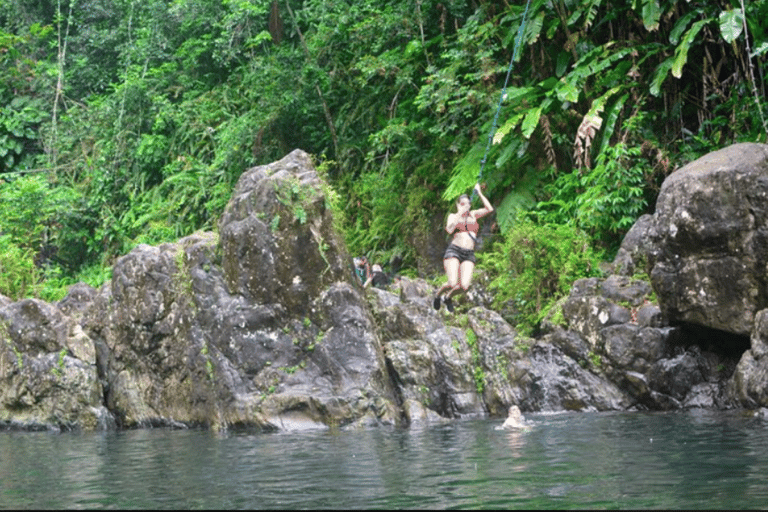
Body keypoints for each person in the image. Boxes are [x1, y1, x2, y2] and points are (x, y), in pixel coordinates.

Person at [433, 183, 494, 312]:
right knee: (452, 283)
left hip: (468, 253)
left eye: (467, 204)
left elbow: (489, 209)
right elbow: (449, 229)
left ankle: (448, 297)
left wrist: (480, 193)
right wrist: (460, 213)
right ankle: (438, 295)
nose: (466, 206)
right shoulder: (453, 216)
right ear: (458, 205)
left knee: (465, 286)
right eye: (462, 204)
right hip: (454, 250)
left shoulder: (473, 214)